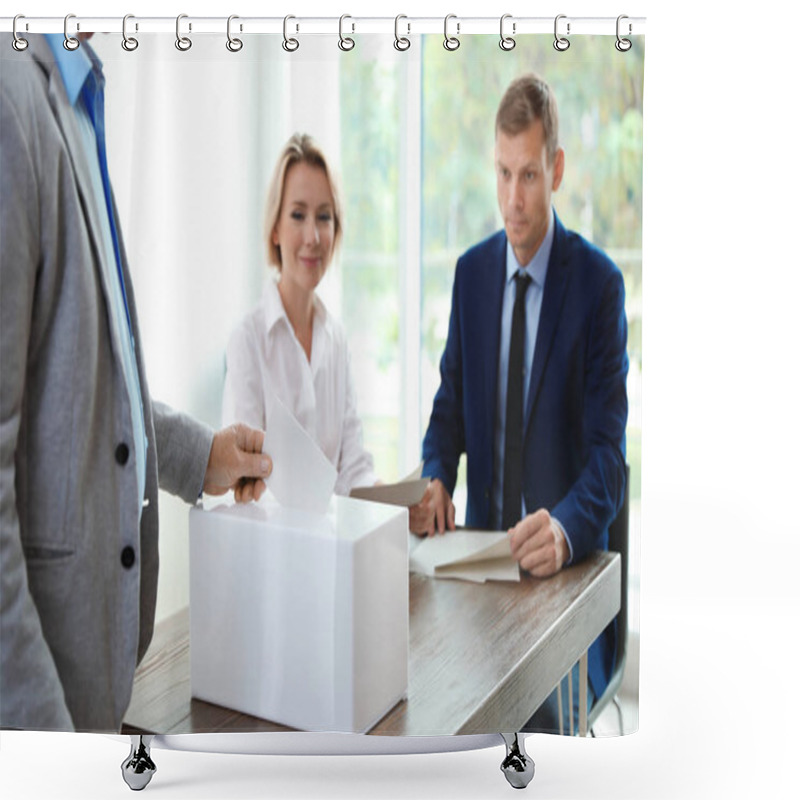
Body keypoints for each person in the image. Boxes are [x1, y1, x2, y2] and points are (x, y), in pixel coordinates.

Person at [0, 34, 272, 732]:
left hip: (99, 700)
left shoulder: (74, 91)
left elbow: (79, 385)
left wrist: (196, 454)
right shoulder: (11, 101)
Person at [410, 73, 628, 733]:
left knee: (530, 740)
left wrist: (562, 532)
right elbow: (449, 407)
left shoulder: (598, 287)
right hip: (477, 570)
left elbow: (607, 459)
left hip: (562, 592)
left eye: (528, 175)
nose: (513, 199)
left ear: (556, 168)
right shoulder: (471, 276)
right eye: (502, 174)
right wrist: (435, 473)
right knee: (427, 705)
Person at [222, 133, 376, 497]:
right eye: (297, 215)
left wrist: (401, 502)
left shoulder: (336, 339)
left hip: (335, 548)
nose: (313, 236)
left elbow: (354, 468)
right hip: (274, 549)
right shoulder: (248, 340)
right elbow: (244, 483)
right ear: (275, 228)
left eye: (324, 217)